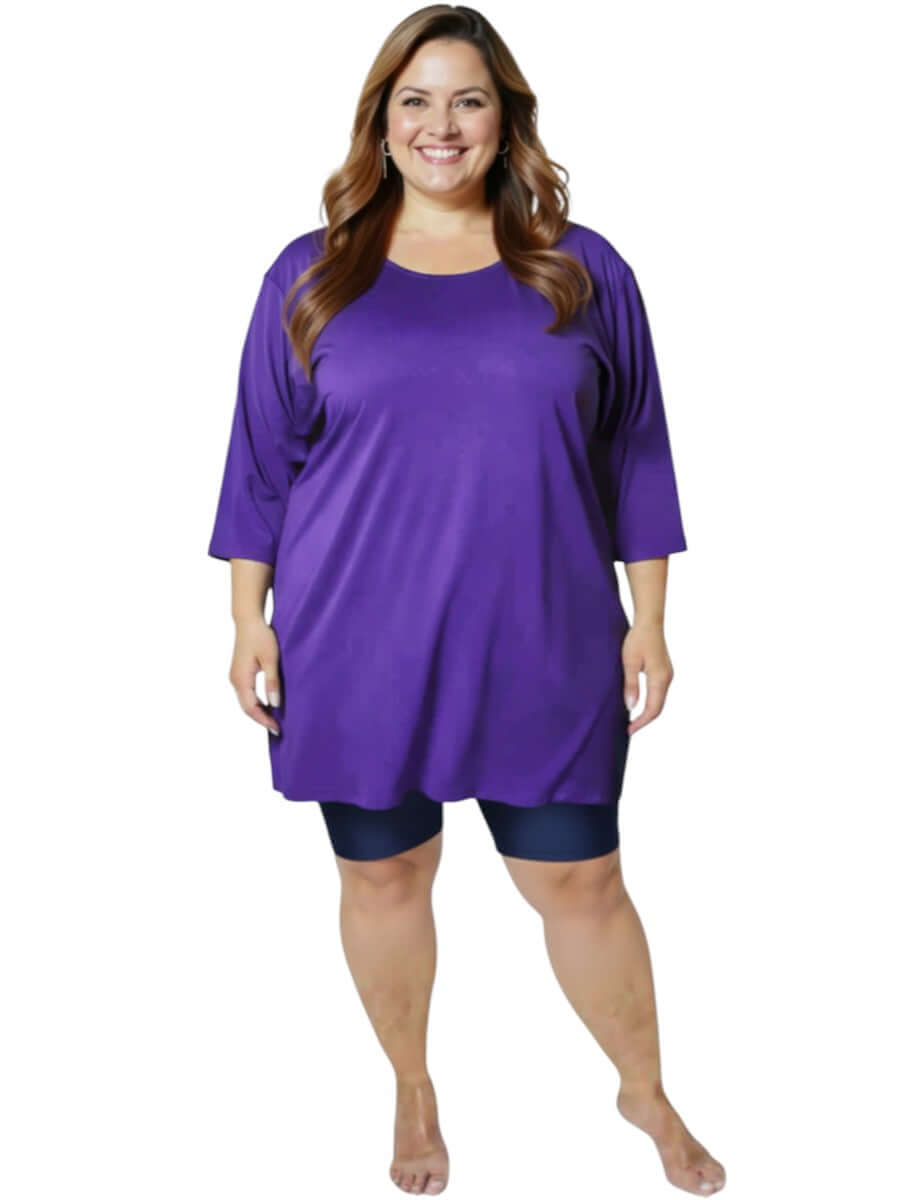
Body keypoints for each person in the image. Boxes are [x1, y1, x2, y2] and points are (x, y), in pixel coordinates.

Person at [207, 7, 725, 1197]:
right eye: (417, 102)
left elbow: (636, 453)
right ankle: (412, 1084)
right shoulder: (311, 273)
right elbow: (261, 465)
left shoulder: (582, 269)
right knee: (384, 875)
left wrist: (651, 619)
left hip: (543, 630)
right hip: (354, 636)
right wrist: (247, 621)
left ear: (505, 120)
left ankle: (644, 1089)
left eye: (469, 100)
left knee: (581, 881)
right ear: (382, 124)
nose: (442, 126)